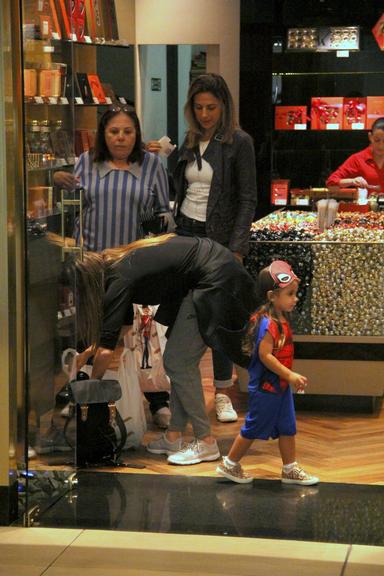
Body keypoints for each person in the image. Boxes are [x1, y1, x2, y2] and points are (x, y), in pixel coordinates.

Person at [74, 234, 257, 466]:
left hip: (213, 279)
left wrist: (91, 388)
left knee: (178, 363)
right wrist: (91, 350)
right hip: (212, 268)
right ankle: (173, 436)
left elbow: (107, 351)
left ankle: (206, 441)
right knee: (180, 363)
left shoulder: (118, 278)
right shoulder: (118, 263)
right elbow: (125, 327)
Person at [53, 106, 172, 428]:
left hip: (136, 266)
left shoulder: (152, 166)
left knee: (143, 334)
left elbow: (163, 213)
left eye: (127, 131)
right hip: (92, 264)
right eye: (114, 131)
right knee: (88, 334)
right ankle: (76, 394)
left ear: (137, 134)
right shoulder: (86, 163)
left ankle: (157, 399)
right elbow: (69, 203)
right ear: (103, 135)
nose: (120, 138)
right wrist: (56, 179)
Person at [150, 73, 257, 425]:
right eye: (198, 108)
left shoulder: (239, 142)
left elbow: (247, 198)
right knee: (183, 316)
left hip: (220, 239)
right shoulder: (190, 141)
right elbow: (183, 189)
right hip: (186, 233)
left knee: (217, 316)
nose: (205, 114)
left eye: (211, 107)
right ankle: (183, 394)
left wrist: (236, 249)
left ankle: (223, 392)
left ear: (224, 106)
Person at [216, 260, 319, 485]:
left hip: (278, 387)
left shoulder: (280, 319)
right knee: (253, 426)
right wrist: (290, 375)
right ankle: (230, 464)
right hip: (266, 388)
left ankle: (289, 468)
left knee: (287, 427)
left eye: (295, 293)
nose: (295, 298)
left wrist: (287, 378)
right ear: (272, 296)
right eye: (290, 294)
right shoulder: (267, 324)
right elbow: (265, 356)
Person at [326, 116, 384, 194]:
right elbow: (331, 182)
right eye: (377, 140)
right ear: (370, 137)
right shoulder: (358, 159)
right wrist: (352, 181)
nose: (381, 146)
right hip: (366, 205)